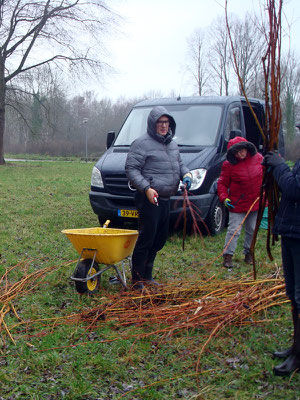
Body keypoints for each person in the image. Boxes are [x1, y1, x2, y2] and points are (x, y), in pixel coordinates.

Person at [125, 106, 191, 290]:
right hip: (148, 198)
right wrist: (146, 188)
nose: (163, 126)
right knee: (146, 238)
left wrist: (186, 175)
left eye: (166, 122)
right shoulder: (141, 143)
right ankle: (137, 280)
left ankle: (147, 276)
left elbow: (179, 164)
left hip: (165, 198)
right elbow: (131, 169)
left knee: (159, 239)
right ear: (152, 124)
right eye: (160, 122)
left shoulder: (172, 144)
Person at [263, 151, 300, 376]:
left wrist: (280, 167)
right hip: (292, 232)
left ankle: (299, 355)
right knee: (293, 291)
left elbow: (295, 189)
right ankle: (297, 346)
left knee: (299, 294)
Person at [217, 136, 264, 268]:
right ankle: (228, 256)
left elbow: (267, 174)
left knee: (252, 229)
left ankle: (249, 253)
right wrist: (224, 198)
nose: (240, 154)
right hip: (237, 203)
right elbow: (221, 184)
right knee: (234, 230)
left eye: (241, 150)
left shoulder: (259, 158)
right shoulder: (228, 165)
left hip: (255, 201)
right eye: (236, 153)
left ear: (246, 148)